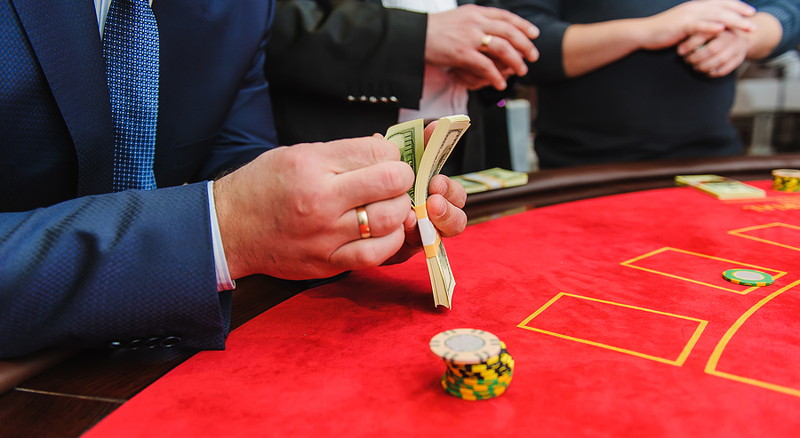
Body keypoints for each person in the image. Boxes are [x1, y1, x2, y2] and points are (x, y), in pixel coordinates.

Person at [0, 0, 467, 358]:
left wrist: (339, 211)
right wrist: (222, 230)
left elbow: (233, 154)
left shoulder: (241, 7)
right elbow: (228, 219)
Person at [502, 0, 800, 168]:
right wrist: (649, 30)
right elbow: (523, 48)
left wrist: (747, 35)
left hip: (711, 163)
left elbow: (787, 11)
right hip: (583, 172)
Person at [265, 0, 540, 174]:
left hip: (464, 163)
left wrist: (496, 61)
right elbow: (270, 22)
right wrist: (418, 35)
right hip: (346, 159)